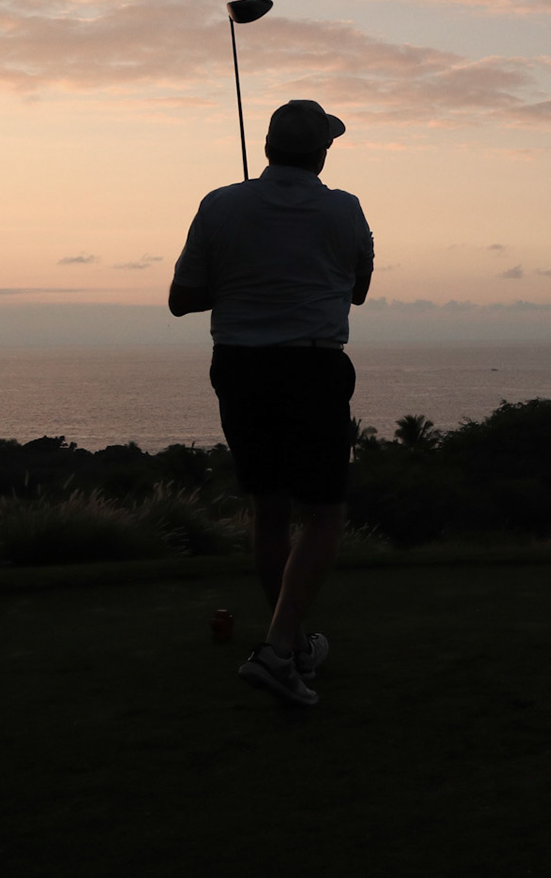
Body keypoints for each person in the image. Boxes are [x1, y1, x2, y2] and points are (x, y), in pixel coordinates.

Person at [169, 99, 374, 706]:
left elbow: (182, 299)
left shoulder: (219, 204)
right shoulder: (345, 209)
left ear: (266, 147)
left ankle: (290, 642)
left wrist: (244, 278)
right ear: (322, 154)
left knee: (270, 509)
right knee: (324, 514)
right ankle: (281, 648)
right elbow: (359, 290)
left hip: (240, 367)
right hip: (312, 366)